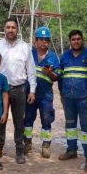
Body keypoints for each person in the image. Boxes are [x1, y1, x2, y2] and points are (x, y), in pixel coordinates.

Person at [0, 18, 36, 164]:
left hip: (19, 90)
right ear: (4, 29)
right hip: (0, 89)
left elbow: (31, 70)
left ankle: (19, 151)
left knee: (19, 122)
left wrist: (32, 90)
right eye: (8, 27)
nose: (10, 30)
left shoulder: (24, 47)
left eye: (13, 28)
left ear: (17, 30)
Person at [58, 30, 87, 172]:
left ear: (82, 40)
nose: (76, 41)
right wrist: (62, 93)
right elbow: (61, 77)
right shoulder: (64, 56)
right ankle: (71, 151)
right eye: (73, 39)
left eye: (78, 39)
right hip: (68, 98)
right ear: (69, 41)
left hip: (85, 99)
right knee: (70, 126)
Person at [23, 26, 60, 158]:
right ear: (35, 40)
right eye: (41, 39)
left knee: (46, 120)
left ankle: (46, 146)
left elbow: (57, 77)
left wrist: (50, 73)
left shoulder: (53, 57)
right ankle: (27, 143)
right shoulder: (29, 54)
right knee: (27, 119)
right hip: (29, 94)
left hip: (45, 96)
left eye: (46, 40)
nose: (44, 42)